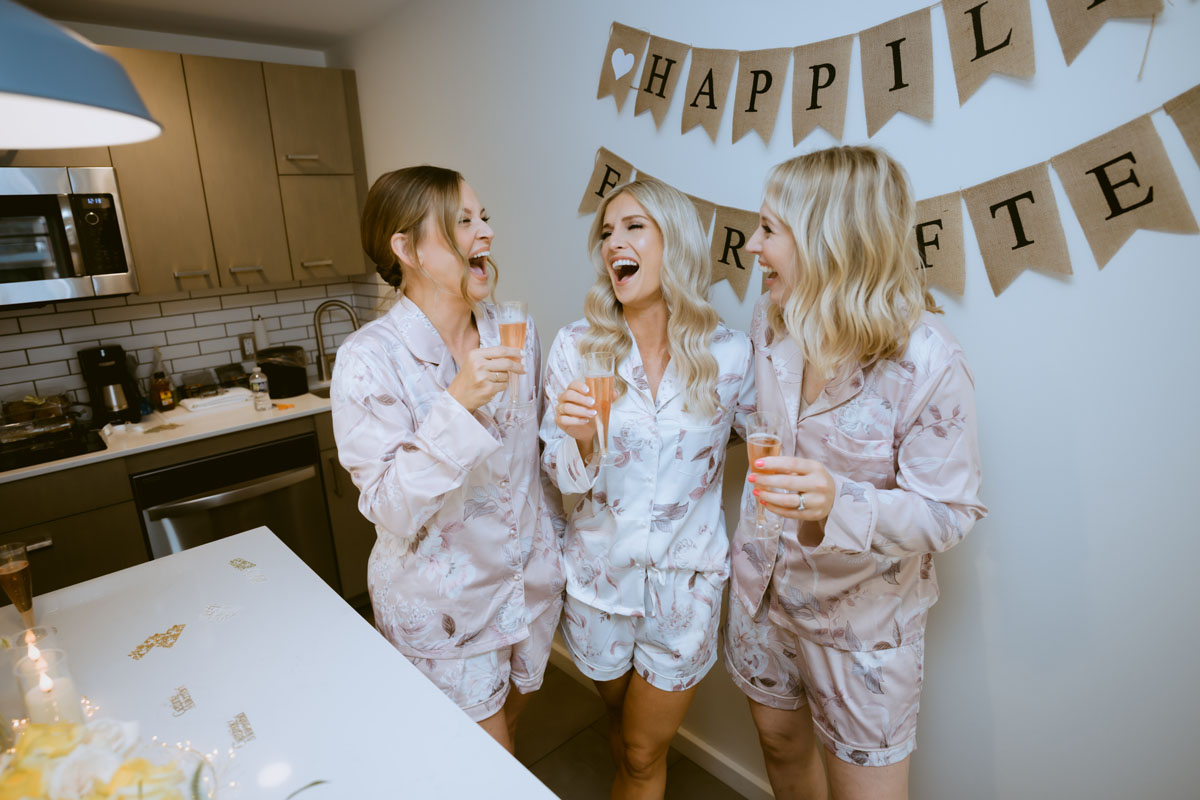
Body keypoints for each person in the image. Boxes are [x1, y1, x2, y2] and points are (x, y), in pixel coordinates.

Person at [725, 146, 987, 800]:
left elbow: (950, 512)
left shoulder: (928, 364)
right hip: (761, 594)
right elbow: (761, 421)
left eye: (769, 229)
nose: (752, 246)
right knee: (781, 751)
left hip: (862, 632)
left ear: (828, 239)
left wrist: (837, 501)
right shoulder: (771, 320)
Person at [330, 165, 563, 753]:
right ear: (405, 248)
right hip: (446, 613)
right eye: (463, 221)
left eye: (483, 218)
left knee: (489, 757)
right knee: (491, 767)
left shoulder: (515, 330)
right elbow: (389, 508)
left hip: (528, 590)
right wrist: (456, 405)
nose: (484, 232)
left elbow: (531, 461)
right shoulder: (368, 361)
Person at [541, 178, 753, 799]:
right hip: (597, 586)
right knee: (618, 723)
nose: (614, 244)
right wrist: (580, 441)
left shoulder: (732, 357)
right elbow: (557, 475)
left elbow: (774, 435)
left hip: (684, 591)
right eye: (606, 232)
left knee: (640, 751)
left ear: (675, 242)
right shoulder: (578, 349)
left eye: (634, 227)